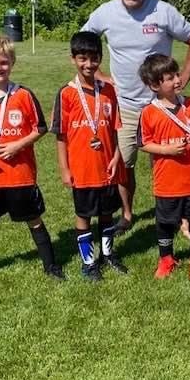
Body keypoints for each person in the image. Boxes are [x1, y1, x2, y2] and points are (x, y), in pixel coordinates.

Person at [81, 0, 190, 231]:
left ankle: (182, 217)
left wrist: (183, 76)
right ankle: (127, 215)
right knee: (124, 163)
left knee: (175, 159)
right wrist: (99, 74)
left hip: (163, 105)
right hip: (124, 104)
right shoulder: (105, 13)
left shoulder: (163, 11)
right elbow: (82, 42)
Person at [0, 34, 63, 284]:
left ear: (13, 63)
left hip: (21, 176)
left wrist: (18, 145)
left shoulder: (24, 95)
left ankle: (51, 266)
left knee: (34, 220)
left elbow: (40, 127)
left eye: (4, 62)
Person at [51, 31, 128, 282]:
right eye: (82, 58)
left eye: (94, 58)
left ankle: (107, 254)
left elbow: (114, 129)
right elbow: (61, 136)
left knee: (107, 214)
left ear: (100, 59)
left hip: (107, 167)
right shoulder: (66, 94)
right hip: (82, 169)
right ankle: (87, 262)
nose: (88, 64)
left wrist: (116, 155)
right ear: (73, 59)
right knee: (83, 215)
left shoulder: (108, 91)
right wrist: (65, 169)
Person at [138, 54, 190, 280]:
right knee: (165, 223)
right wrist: (167, 151)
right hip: (166, 181)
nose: (178, 80)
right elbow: (144, 143)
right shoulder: (149, 112)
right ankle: (166, 258)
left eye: (177, 74)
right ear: (154, 85)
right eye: (170, 78)